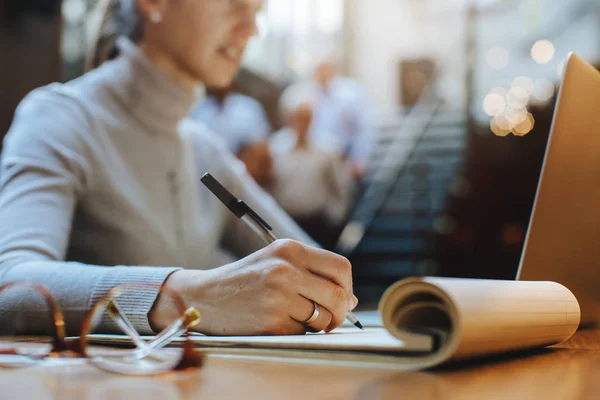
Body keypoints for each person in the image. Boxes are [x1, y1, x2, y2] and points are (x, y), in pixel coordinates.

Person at [0, 0, 357, 337]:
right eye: (234, 3)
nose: (252, 28)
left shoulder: (205, 148)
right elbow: (11, 283)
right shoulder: (59, 119)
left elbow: (314, 266)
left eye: (258, 9)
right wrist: (191, 297)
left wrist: (322, 289)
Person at [271, 60, 375, 181]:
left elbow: (363, 129)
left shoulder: (352, 93)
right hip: (312, 157)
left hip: (342, 156)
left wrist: (360, 159)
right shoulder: (301, 93)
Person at [270, 102, 353, 248]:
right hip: (285, 218)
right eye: (297, 117)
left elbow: (340, 186)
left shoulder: (327, 148)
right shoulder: (276, 146)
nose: (301, 123)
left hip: (317, 221)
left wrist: (335, 220)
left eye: (305, 118)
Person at [190, 86, 271, 153]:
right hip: (205, 170)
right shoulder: (198, 109)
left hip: (242, 168)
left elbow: (261, 146)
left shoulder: (249, 107)